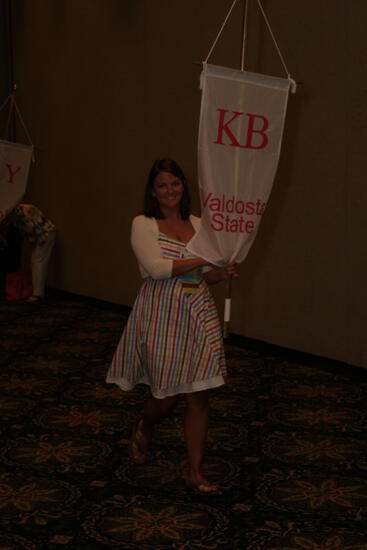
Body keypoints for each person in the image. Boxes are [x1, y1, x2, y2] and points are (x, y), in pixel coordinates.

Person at [106, 158, 238, 493]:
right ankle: (145, 424)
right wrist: (205, 259)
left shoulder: (199, 223)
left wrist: (221, 274)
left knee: (199, 395)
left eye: (175, 183)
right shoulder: (143, 223)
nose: (170, 191)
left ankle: (195, 472)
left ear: (183, 186)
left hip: (198, 310)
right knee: (166, 397)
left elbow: (201, 277)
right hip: (161, 311)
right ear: (153, 190)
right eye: (162, 185)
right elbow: (156, 268)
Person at [7, 203, 56, 301]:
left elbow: (31, 228)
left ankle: (38, 294)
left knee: (38, 262)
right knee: (36, 261)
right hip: (46, 232)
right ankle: (37, 291)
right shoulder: (21, 208)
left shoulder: (19, 212)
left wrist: (30, 241)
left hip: (44, 234)